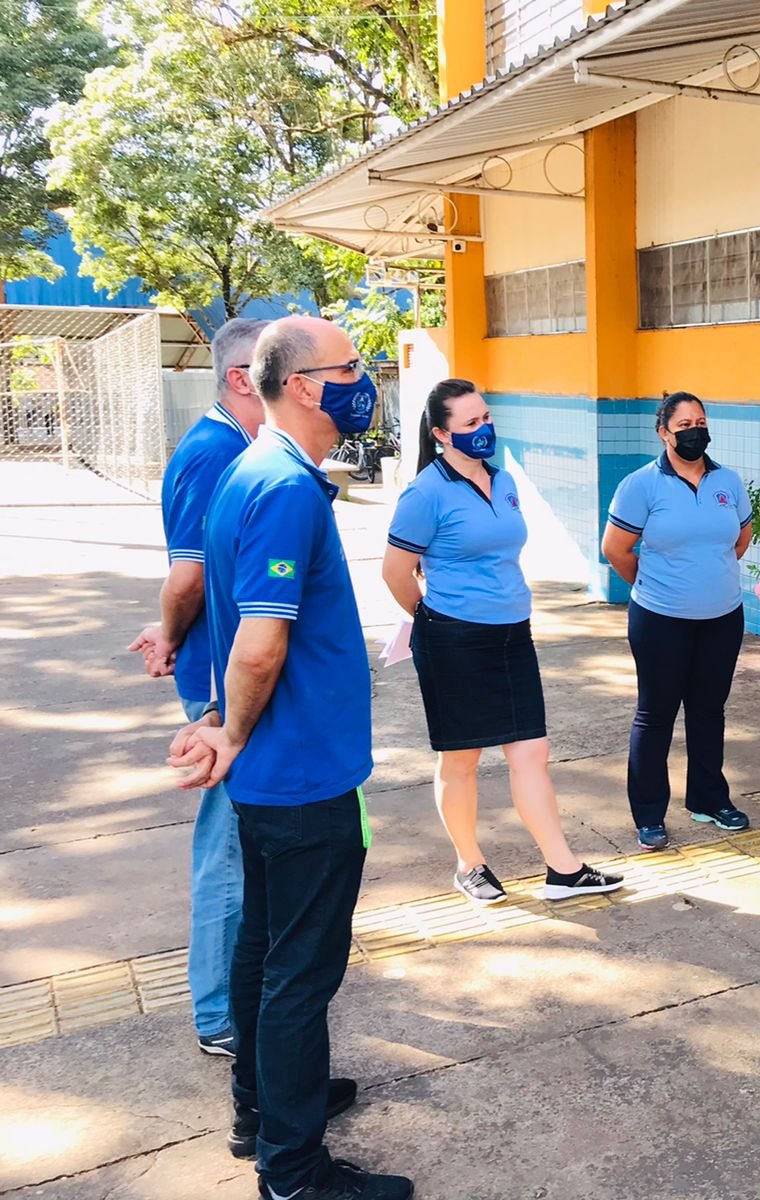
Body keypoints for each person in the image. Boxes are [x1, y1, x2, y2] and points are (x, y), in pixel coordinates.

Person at [168, 316, 411, 1198]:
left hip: (279, 773)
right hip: (299, 775)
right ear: (306, 386)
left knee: (264, 953)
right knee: (300, 975)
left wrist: (227, 727)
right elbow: (260, 644)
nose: (363, 379)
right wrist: (228, 729)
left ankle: (261, 1114)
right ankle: (295, 1173)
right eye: (350, 367)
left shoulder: (257, 469)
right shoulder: (283, 488)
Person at [383, 378, 622, 904]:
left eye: (486, 418)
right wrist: (431, 620)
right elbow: (396, 572)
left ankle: (563, 869)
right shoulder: (425, 493)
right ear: (442, 434)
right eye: (470, 424)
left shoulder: (505, 481)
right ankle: (470, 864)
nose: (484, 429)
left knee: (531, 750)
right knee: (461, 758)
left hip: (513, 635)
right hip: (453, 639)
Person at [128, 316, 266, 1058]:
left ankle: (239, 994)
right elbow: (190, 575)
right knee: (229, 849)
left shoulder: (240, 447)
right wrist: (173, 632)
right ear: (242, 378)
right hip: (221, 684)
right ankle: (218, 1014)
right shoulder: (213, 454)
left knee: (249, 843)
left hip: (229, 673)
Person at [601, 392, 755, 851]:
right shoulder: (641, 485)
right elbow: (616, 550)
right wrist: (655, 586)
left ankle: (709, 799)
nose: (695, 430)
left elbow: (740, 538)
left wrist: (708, 575)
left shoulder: (727, 480)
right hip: (660, 620)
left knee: (710, 711)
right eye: (684, 423)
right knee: (657, 714)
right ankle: (649, 814)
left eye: (701, 421)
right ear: (664, 432)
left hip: (722, 618)